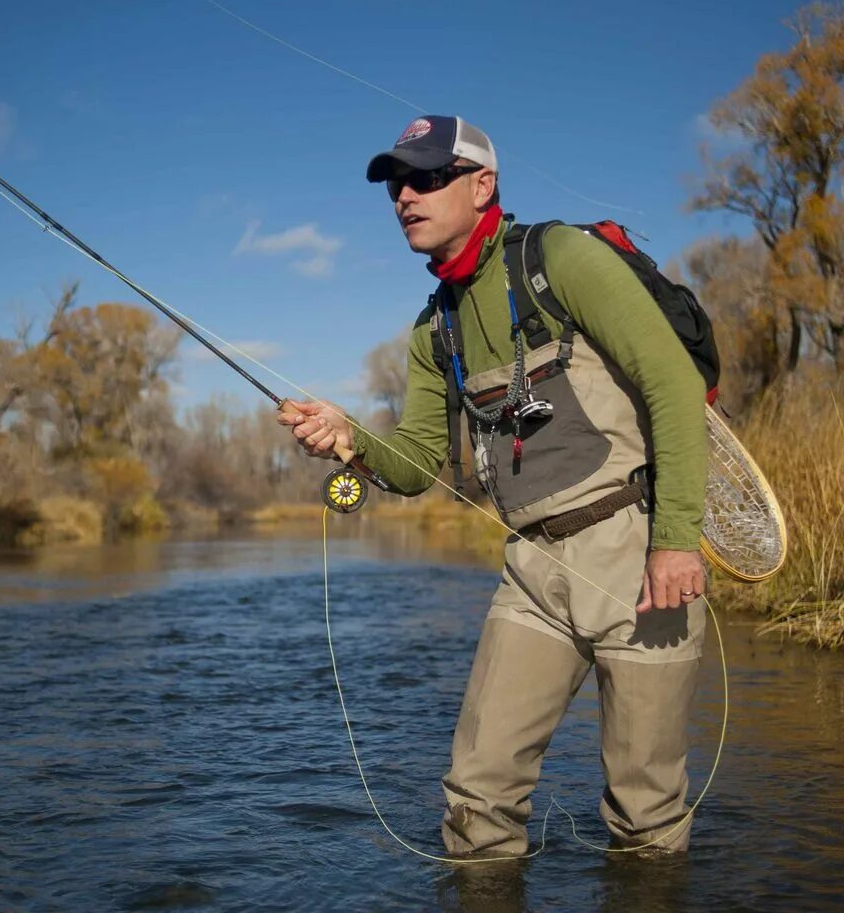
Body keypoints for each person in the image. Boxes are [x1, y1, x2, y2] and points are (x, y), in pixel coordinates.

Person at [276, 115, 708, 855]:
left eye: (426, 178)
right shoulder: (431, 328)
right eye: (395, 184)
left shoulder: (559, 257)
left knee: (646, 818)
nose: (405, 195)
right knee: (477, 803)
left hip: (637, 557)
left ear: (482, 186)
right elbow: (415, 463)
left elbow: (670, 382)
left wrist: (674, 541)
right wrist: (352, 440)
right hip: (533, 575)